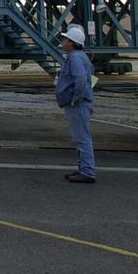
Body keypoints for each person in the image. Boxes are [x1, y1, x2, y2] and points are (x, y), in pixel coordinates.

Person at [57, 24, 96, 184]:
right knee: (80, 137)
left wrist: (75, 98)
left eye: (66, 39)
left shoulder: (75, 58)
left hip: (78, 104)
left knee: (82, 138)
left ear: (71, 43)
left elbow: (80, 79)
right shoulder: (80, 57)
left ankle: (87, 171)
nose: (63, 42)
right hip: (79, 103)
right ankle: (83, 169)